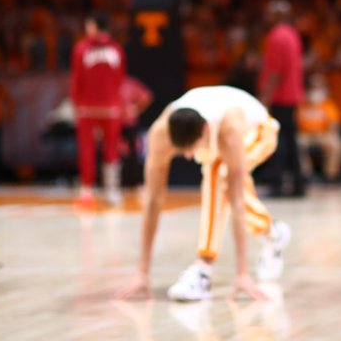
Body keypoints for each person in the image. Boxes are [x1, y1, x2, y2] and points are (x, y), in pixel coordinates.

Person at [115, 86, 291, 303]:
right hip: (216, 133)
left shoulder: (230, 126)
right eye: (182, 152)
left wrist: (242, 274)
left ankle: (204, 267)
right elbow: (153, 201)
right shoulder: (160, 133)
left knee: (220, 173)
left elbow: (236, 200)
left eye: (192, 149)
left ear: (205, 131)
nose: (189, 157)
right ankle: (273, 231)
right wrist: (142, 273)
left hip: (260, 131)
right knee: (216, 171)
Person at [70, 12, 127, 208]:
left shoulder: (81, 50)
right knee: (111, 149)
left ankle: (87, 191)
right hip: (111, 108)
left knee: (87, 149)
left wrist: (76, 104)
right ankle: (112, 191)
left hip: (87, 108)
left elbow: (77, 81)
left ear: (94, 26)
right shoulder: (117, 50)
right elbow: (120, 80)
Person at [258, 0, 305, 197]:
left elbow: (275, 71)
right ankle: (298, 184)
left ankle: (278, 184)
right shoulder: (292, 34)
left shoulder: (276, 36)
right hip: (292, 94)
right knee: (291, 141)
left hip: (280, 96)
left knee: (278, 142)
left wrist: (265, 97)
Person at [295, 73, 341, 183]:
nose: (316, 90)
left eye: (319, 86)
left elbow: (334, 124)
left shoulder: (328, 104)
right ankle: (305, 174)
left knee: (336, 144)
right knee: (296, 143)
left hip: (323, 134)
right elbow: (296, 123)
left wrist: (330, 132)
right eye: (313, 86)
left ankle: (331, 175)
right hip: (306, 134)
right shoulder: (302, 103)